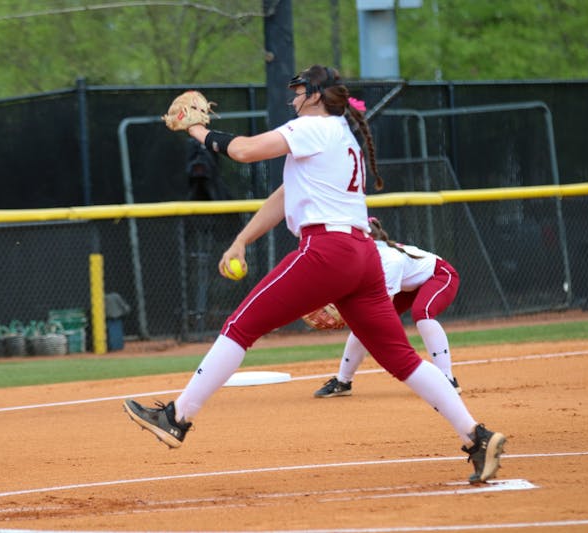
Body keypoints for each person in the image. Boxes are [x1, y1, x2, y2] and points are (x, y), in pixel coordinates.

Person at [124, 65, 506, 484]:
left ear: (317, 95)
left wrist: (197, 131)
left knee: (240, 325)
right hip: (362, 256)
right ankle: (477, 435)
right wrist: (242, 240)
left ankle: (177, 418)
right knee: (400, 358)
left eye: (299, 90)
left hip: (327, 251)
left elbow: (244, 151)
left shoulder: (314, 126)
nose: (293, 98)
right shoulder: (340, 137)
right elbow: (286, 195)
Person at [314, 216, 462, 398]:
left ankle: (447, 380)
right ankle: (343, 382)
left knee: (422, 313)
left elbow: (381, 307)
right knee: (362, 322)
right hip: (408, 284)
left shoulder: (389, 260)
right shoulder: (363, 256)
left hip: (438, 275)